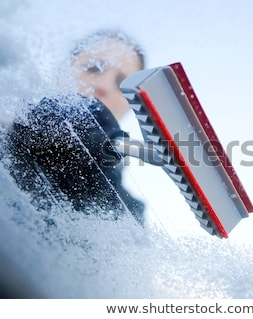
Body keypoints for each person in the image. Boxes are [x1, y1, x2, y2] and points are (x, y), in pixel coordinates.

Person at [5, 29, 147, 225]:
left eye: (122, 84)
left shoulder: (130, 217)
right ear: (61, 73)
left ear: (131, 106)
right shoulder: (7, 138)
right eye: (93, 68)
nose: (104, 86)